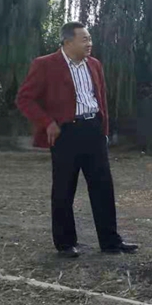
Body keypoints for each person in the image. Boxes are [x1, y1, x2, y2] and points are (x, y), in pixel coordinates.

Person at [15, 22, 138, 258]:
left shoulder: (95, 65)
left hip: (93, 130)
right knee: (64, 188)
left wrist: (103, 130)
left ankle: (110, 241)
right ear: (68, 42)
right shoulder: (45, 64)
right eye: (84, 39)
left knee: (103, 186)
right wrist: (47, 122)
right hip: (65, 133)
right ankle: (65, 244)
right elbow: (24, 99)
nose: (90, 43)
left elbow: (100, 99)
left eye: (90, 38)